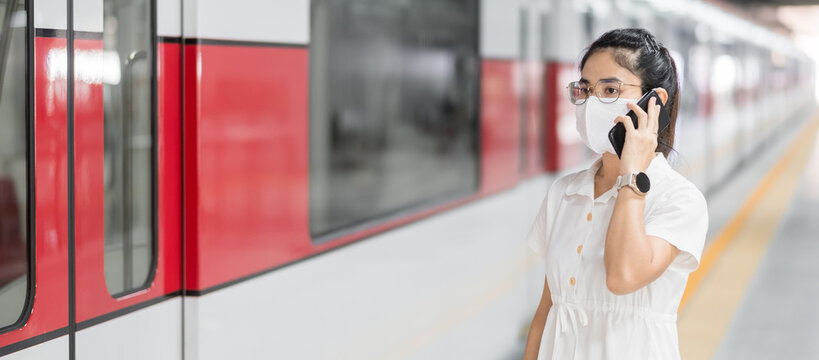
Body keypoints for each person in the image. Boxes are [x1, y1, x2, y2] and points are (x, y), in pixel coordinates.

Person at [523, 28, 709, 360]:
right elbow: (547, 311)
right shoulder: (564, 193)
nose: (591, 103)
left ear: (654, 102)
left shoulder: (679, 199)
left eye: (610, 89)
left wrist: (631, 176)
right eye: (584, 90)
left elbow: (624, 275)